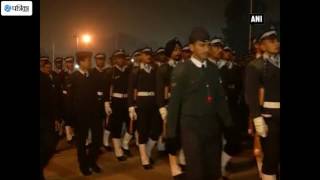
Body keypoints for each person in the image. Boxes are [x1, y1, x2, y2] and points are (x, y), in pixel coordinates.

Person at [166, 27, 233, 180]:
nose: (206, 49)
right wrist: (171, 135)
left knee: (213, 172)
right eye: (201, 45)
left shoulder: (213, 69)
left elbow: (220, 101)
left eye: (207, 45)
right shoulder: (182, 70)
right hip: (191, 128)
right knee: (197, 172)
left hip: (212, 127)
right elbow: (174, 105)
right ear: (191, 47)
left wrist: (229, 126)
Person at [245, 27, 280, 180]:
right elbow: (251, 95)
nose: (276, 43)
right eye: (271, 41)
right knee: (271, 158)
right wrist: (257, 118)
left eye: (277, 40)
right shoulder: (255, 66)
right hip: (269, 117)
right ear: (262, 45)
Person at [128, 47, 162, 170]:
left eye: (150, 54)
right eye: (146, 54)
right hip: (141, 104)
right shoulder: (135, 71)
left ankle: (147, 151)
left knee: (156, 130)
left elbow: (158, 88)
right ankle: (144, 158)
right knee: (142, 131)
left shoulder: (155, 70)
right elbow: (130, 89)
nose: (148, 56)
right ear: (141, 56)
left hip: (154, 103)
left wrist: (161, 105)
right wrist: (131, 106)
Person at [70, 51, 103, 176]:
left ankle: (92, 161)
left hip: (94, 114)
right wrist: (71, 118)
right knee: (82, 142)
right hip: (80, 115)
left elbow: (98, 94)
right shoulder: (73, 77)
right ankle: (83, 164)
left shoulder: (93, 76)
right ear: (81, 62)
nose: (90, 62)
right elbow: (69, 100)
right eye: (88, 60)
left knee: (97, 139)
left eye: (90, 60)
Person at [106, 49, 131, 161]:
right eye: (118, 57)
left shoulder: (129, 71)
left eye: (122, 57)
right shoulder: (111, 72)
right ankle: (118, 151)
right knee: (116, 126)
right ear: (115, 59)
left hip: (127, 101)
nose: (121, 59)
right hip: (116, 101)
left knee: (132, 125)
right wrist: (107, 103)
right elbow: (106, 88)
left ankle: (125, 143)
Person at [40, 59, 59, 180]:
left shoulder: (49, 79)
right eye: (45, 67)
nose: (48, 69)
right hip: (42, 117)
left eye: (49, 67)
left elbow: (53, 100)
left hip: (48, 117)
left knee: (50, 144)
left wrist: (56, 117)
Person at [90, 52, 113, 152]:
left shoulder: (108, 72)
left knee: (107, 123)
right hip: (94, 101)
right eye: (98, 59)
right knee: (95, 124)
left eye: (102, 59)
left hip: (106, 101)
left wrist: (109, 100)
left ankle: (105, 142)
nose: (100, 61)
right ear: (95, 61)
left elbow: (111, 87)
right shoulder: (91, 72)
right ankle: (95, 144)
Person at [61, 56, 76, 143]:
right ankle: (69, 137)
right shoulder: (63, 74)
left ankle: (73, 135)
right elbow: (58, 84)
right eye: (68, 63)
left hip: (74, 99)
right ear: (66, 64)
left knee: (73, 117)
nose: (70, 64)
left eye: (71, 62)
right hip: (66, 99)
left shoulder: (74, 73)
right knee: (67, 118)